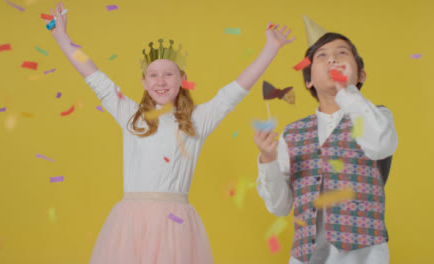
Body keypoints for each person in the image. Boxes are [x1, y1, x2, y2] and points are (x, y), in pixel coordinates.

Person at [45, 2, 295, 263]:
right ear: (143, 81)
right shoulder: (130, 115)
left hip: (175, 226)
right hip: (130, 225)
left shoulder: (197, 119)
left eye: (168, 74)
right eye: (153, 75)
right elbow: (94, 76)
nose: (160, 82)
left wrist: (270, 48)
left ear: (182, 78)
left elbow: (235, 91)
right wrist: (63, 38)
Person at [254, 32, 398, 264]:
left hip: (364, 255)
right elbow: (280, 207)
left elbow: (381, 145)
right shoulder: (291, 134)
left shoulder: (376, 117)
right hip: (305, 257)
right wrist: (268, 159)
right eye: (322, 56)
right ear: (309, 80)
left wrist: (346, 91)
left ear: (360, 74)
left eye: (342, 53)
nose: (332, 59)